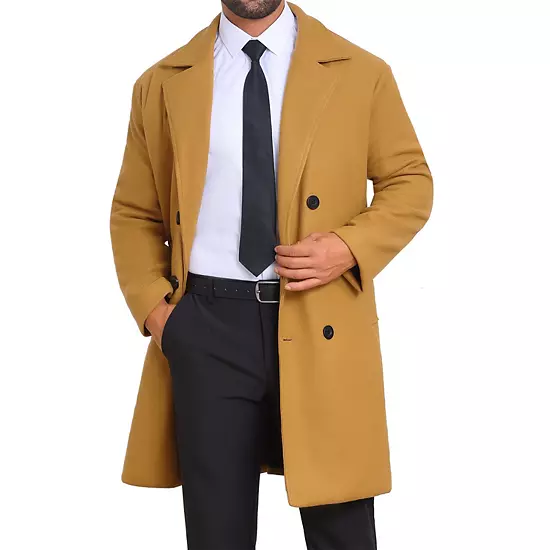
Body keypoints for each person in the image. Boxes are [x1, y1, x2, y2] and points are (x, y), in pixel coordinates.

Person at [109, 1, 433, 548]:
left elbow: (410, 181)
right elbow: (134, 212)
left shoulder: (361, 72)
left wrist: (348, 246)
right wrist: (159, 314)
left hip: (321, 317)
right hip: (206, 327)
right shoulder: (161, 83)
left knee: (341, 526)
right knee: (216, 532)